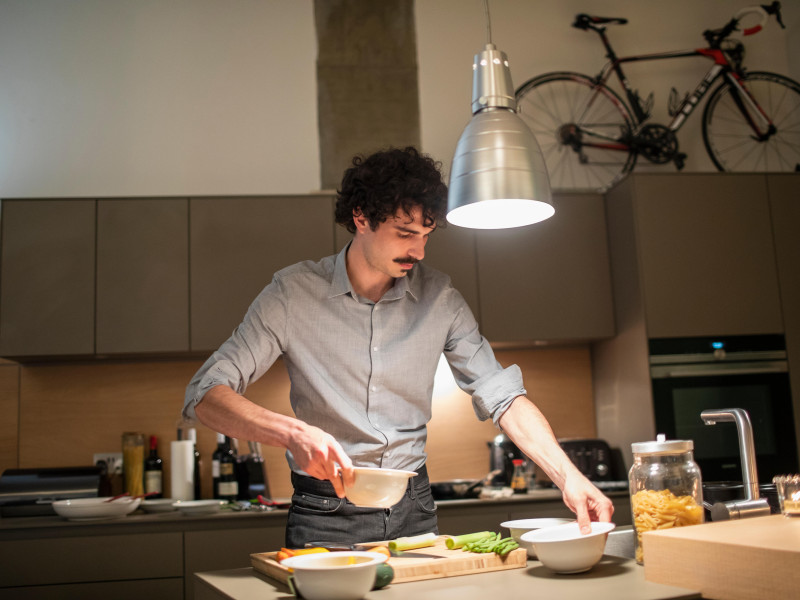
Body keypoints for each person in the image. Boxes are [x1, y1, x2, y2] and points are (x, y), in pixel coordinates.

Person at [183, 146, 613, 547]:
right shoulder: (292, 294)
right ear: (360, 217)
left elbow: (502, 396)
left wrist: (568, 477)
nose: (419, 251)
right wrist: (292, 432)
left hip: (416, 508)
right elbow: (206, 394)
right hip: (325, 511)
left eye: (427, 234)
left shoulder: (440, 298)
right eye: (405, 233)